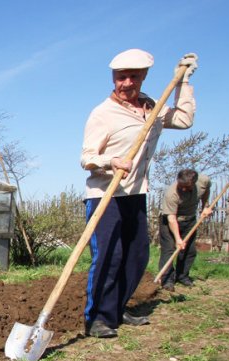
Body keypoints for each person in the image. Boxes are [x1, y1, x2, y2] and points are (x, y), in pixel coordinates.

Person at [80, 48, 198, 338]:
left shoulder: (152, 108)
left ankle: (117, 309)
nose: (127, 83)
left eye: (134, 77)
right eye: (121, 77)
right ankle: (97, 318)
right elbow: (86, 157)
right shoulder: (102, 114)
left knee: (136, 257)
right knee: (109, 256)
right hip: (105, 194)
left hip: (135, 193)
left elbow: (184, 120)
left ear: (144, 77)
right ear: (113, 78)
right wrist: (111, 161)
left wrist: (181, 82)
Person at [158, 169, 212, 291]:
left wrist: (205, 207)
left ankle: (182, 276)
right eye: (180, 186)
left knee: (189, 250)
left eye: (186, 187)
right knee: (169, 250)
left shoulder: (204, 181)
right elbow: (171, 218)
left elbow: (206, 191)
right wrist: (178, 239)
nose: (182, 189)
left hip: (190, 220)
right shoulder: (171, 193)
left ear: (194, 182)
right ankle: (167, 280)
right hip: (169, 221)